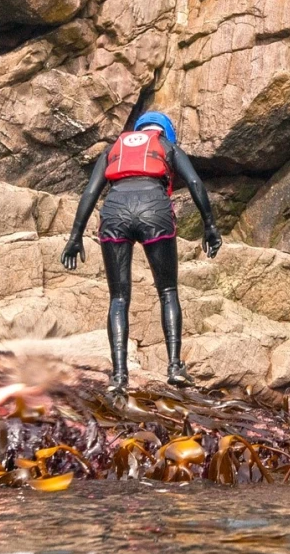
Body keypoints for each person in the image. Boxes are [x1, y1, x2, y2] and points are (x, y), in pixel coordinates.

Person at [60, 112, 222, 393]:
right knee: (168, 291)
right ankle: (174, 367)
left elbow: (90, 192)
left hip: (114, 212)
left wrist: (75, 237)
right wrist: (209, 226)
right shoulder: (167, 146)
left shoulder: (113, 149)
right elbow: (195, 182)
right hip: (154, 209)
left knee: (118, 297)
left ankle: (119, 376)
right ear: (164, 131)